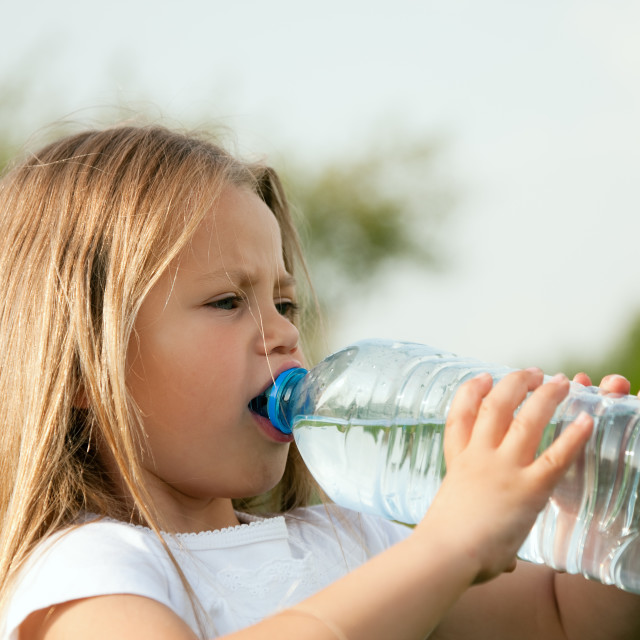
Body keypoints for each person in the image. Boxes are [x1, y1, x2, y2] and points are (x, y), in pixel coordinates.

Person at [0, 123, 637, 640]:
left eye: (285, 304)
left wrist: (603, 510)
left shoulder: (349, 538)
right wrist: (447, 549)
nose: (279, 332)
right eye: (226, 302)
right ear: (84, 365)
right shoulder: (86, 573)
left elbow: (557, 620)